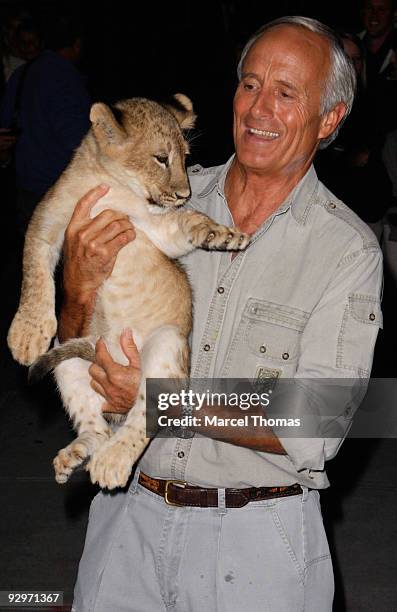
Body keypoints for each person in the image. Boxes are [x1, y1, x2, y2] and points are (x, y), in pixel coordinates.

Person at [59, 17, 383, 612]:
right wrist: (77, 289)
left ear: (329, 120)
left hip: (255, 544)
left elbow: (316, 423)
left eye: (287, 93)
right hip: (127, 522)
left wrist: (161, 400)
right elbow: (78, 351)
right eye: (250, 84)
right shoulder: (154, 209)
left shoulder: (347, 251)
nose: (260, 107)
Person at [0, 14, 91, 233]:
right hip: (61, 195)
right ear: (77, 45)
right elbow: (77, 139)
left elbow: (4, 129)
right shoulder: (67, 77)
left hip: (25, 190)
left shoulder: (20, 75)